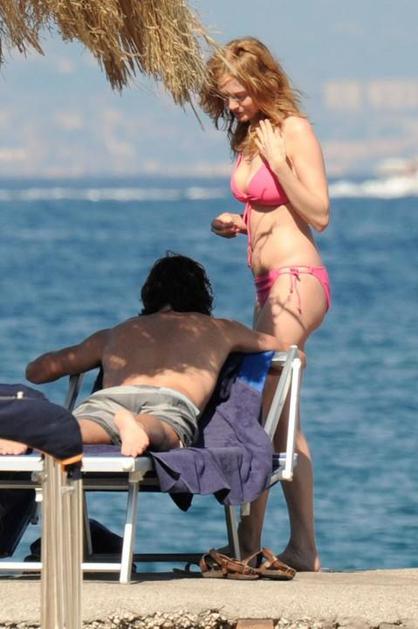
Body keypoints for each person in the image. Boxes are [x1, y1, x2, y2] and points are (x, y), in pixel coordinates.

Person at [200, 37, 331, 572]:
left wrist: (280, 163)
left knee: (259, 406)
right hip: (265, 286)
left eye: (238, 95)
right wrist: (240, 222)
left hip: (298, 280)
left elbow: (318, 213)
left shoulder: (292, 131)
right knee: (283, 420)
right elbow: (269, 209)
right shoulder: (248, 134)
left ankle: (246, 544)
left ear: (262, 82)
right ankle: (303, 548)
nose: (232, 105)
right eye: (225, 97)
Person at [16, 253, 282, 458]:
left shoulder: (119, 332)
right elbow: (281, 348)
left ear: (149, 294)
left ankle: (31, 435)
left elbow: (38, 372)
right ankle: (138, 426)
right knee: (167, 431)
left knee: (81, 427)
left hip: (111, 398)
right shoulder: (219, 329)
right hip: (169, 399)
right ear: (202, 296)